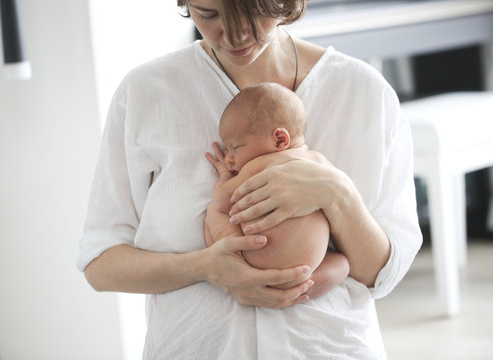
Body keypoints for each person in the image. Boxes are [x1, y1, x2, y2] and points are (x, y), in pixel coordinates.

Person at [77, 0, 423, 358]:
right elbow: (101, 264)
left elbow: (383, 274)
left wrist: (337, 195)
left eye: (256, 11)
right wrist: (205, 268)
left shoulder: (361, 91)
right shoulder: (146, 93)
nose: (237, 34)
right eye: (208, 14)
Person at [204, 82, 349, 293]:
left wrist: (225, 176)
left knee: (213, 211)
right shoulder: (319, 162)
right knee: (342, 265)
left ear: (280, 140)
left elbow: (224, 199)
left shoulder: (259, 165)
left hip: (252, 263)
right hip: (305, 271)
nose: (229, 158)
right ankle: (299, 290)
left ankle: (225, 251)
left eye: (235, 148)